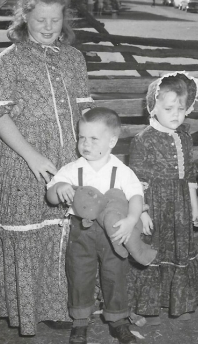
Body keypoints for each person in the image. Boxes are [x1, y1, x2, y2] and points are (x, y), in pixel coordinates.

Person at [0, 0, 94, 336]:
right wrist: (33, 157)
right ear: (25, 18)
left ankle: (60, 304)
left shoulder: (74, 58)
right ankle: (23, 304)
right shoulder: (11, 59)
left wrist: (91, 155)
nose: (49, 27)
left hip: (67, 157)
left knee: (62, 231)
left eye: (56, 19)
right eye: (41, 20)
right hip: (21, 160)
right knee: (28, 230)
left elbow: (84, 111)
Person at [47, 107, 143, 344]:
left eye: (93, 138)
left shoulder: (121, 171)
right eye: (81, 137)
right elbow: (50, 195)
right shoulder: (72, 169)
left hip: (113, 233)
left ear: (112, 141)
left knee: (115, 276)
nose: (85, 144)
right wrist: (59, 189)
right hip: (81, 233)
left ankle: (118, 322)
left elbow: (136, 197)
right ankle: (80, 324)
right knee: (79, 275)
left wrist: (131, 220)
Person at [127, 72, 198, 325]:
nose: (176, 114)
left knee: (178, 248)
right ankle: (143, 304)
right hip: (155, 204)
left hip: (180, 204)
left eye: (181, 109)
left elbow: (190, 175)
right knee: (154, 249)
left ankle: (175, 300)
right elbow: (137, 181)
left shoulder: (185, 137)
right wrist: (143, 212)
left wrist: (194, 208)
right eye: (169, 108)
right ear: (153, 107)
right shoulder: (143, 139)